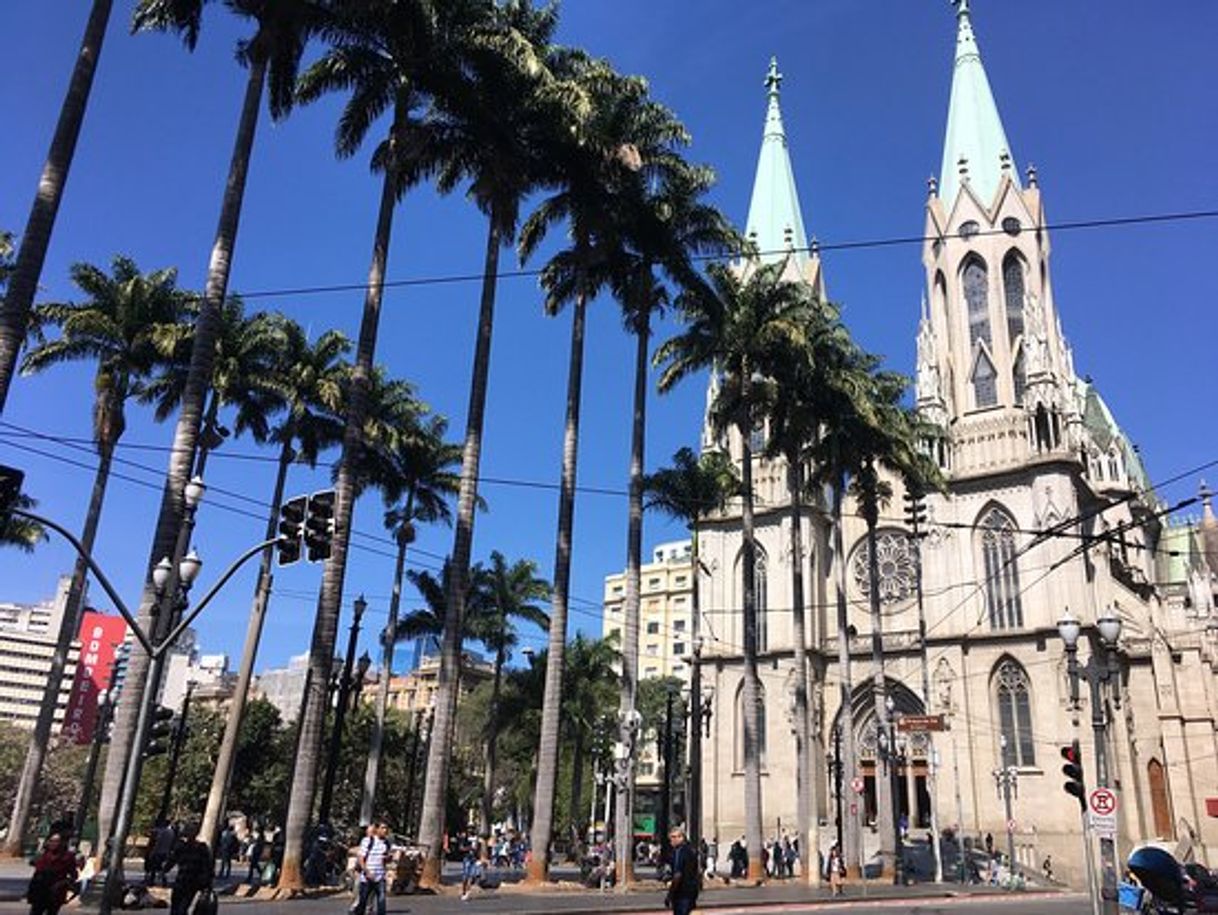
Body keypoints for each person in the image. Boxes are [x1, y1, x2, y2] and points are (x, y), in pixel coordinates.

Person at [26, 833, 78, 915]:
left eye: (57, 841)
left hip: (56, 892)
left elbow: (73, 875)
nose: (54, 844)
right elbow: (36, 870)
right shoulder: (43, 855)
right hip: (40, 891)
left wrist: (62, 883)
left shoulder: (68, 856)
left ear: (62, 843)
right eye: (52, 841)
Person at [167, 825, 212, 915]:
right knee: (179, 906)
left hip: (188, 881)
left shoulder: (196, 848)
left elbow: (171, 862)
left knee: (180, 907)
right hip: (186, 881)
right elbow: (207, 867)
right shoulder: (197, 848)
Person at [352, 820, 390, 915]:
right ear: (376, 829)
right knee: (363, 901)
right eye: (382, 828)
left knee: (382, 901)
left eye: (386, 828)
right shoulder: (368, 841)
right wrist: (367, 872)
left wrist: (388, 859)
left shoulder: (386, 843)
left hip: (380, 877)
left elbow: (384, 860)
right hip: (367, 877)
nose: (385, 830)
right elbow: (361, 858)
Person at [665, 828, 700, 915]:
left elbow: (678, 874)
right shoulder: (679, 851)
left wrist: (670, 894)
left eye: (674, 837)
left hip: (683, 892)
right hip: (688, 891)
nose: (671, 840)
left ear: (681, 837)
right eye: (671, 837)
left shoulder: (682, 852)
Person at [460, 830, 482, 901]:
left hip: (474, 859)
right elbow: (461, 848)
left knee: (471, 876)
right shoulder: (465, 839)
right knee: (465, 876)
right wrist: (469, 848)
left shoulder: (477, 840)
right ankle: (463, 892)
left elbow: (479, 849)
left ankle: (467, 893)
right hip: (467, 858)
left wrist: (479, 858)